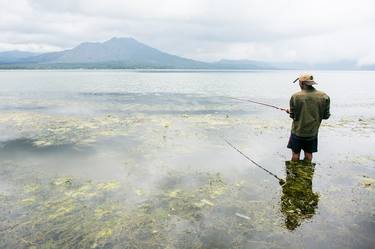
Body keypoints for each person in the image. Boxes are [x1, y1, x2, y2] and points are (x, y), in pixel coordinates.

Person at [286, 73, 330, 162]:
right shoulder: (324, 96)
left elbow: (293, 115)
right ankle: (307, 174)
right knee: (309, 154)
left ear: (302, 83)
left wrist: (289, 111)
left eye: (299, 82)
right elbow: (326, 116)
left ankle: (294, 174)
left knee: (295, 154)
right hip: (312, 133)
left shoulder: (295, 97)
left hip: (297, 132)